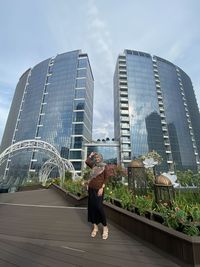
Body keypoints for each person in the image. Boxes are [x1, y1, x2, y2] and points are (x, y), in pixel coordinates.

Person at [85, 152, 110, 240]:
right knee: (92, 207)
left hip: (99, 190)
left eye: (98, 157)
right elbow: (87, 161)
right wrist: (91, 155)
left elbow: (106, 178)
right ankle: (95, 227)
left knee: (99, 207)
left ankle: (105, 227)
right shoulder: (93, 165)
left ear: (101, 157)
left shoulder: (104, 166)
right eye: (96, 157)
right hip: (91, 189)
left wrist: (102, 188)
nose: (97, 158)